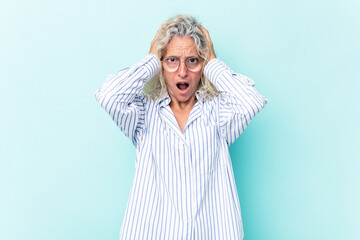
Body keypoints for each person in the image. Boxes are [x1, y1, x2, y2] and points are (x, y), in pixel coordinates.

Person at [95, 15, 267, 240]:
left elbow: (251, 101)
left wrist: (213, 62)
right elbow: (109, 95)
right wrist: (151, 60)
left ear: (202, 66)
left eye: (193, 60)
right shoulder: (143, 114)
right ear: (161, 65)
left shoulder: (219, 114)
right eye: (172, 60)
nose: (183, 71)